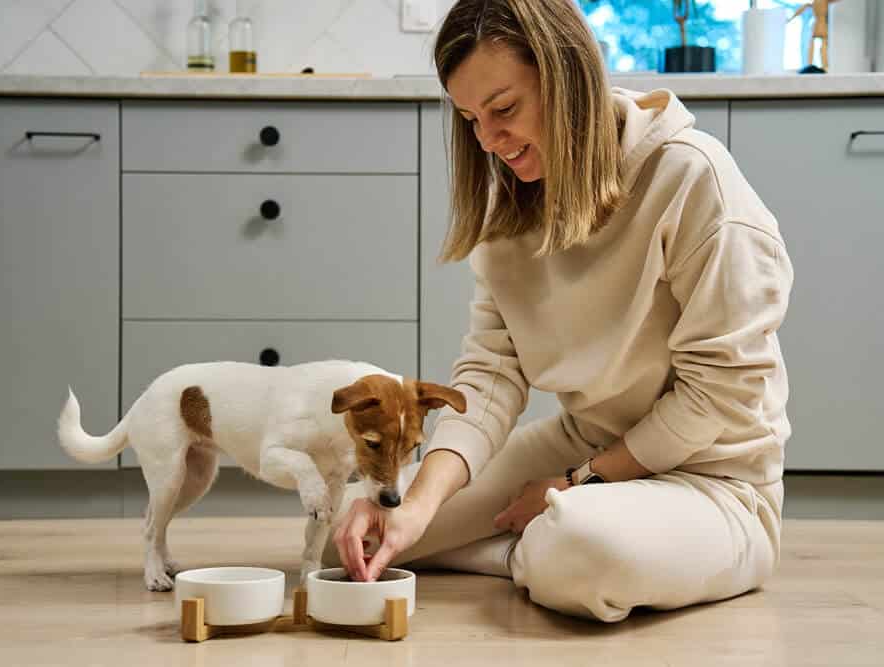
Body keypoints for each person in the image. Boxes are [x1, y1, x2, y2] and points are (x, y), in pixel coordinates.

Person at [324, 0, 793, 623]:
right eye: (469, 119)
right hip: (587, 445)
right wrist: (409, 506)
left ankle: (546, 544)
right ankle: (534, 548)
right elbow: (490, 377)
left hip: (714, 479)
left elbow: (721, 393)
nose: (488, 141)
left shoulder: (692, 178)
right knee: (359, 534)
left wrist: (577, 484)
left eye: (505, 110)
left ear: (566, 76)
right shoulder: (516, 204)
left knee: (579, 547)